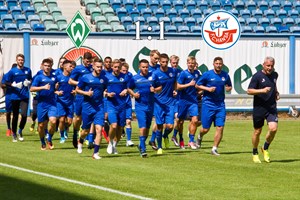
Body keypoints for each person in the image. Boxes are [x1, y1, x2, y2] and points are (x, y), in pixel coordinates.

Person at [196, 57, 232, 156]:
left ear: (222, 64)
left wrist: (228, 88)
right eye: (217, 63)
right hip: (208, 104)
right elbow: (197, 85)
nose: (218, 65)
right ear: (213, 64)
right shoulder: (207, 74)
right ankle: (199, 136)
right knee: (205, 128)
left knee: (220, 127)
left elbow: (229, 85)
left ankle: (214, 148)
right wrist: (207, 89)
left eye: (220, 63)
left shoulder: (225, 75)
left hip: (220, 105)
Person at [247, 56, 279, 163]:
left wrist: (276, 93)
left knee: (273, 128)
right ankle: (255, 152)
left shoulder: (275, 74)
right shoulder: (257, 76)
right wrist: (262, 91)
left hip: (271, 108)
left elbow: (274, 85)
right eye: (268, 66)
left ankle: (265, 148)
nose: (270, 68)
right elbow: (249, 91)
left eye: (272, 66)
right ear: (263, 65)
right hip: (259, 108)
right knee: (257, 131)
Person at [128, 59, 162, 157]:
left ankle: (141, 144)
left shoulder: (153, 76)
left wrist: (154, 89)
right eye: (143, 67)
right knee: (142, 127)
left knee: (147, 128)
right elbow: (129, 88)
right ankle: (143, 149)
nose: (145, 69)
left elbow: (160, 87)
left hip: (150, 105)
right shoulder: (135, 78)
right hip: (140, 106)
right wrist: (134, 94)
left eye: (146, 67)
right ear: (139, 67)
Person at [76, 58, 108, 159]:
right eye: (97, 67)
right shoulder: (85, 78)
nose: (99, 68)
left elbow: (104, 90)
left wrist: (106, 93)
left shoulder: (104, 79)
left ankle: (95, 153)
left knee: (99, 130)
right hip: (87, 107)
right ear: (93, 66)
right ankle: (80, 140)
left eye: (100, 67)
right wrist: (86, 93)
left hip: (99, 107)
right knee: (85, 130)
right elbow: (77, 90)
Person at [30, 58, 58, 150]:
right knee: (41, 126)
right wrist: (43, 87)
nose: (47, 67)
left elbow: (54, 89)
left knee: (53, 121)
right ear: (42, 66)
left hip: (52, 103)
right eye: (45, 66)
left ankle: (49, 138)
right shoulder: (38, 77)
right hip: (41, 103)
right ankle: (42, 142)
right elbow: (32, 89)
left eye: (49, 66)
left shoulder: (54, 77)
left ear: (51, 66)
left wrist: (56, 91)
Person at [152, 53, 177, 154]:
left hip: (170, 103)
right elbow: (152, 88)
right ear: (159, 62)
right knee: (159, 126)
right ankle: (159, 147)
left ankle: (165, 136)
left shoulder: (172, 71)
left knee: (170, 126)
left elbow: (175, 82)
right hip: (159, 103)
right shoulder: (156, 74)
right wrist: (155, 90)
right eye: (163, 62)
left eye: (166, 62)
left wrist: (175, 90)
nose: (165, 64)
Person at [5, 54, 32, 142]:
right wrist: (12, 84)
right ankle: (14, 133)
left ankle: (20, 130)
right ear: (16, 61)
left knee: (24, 115)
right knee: (15, 116)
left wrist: (28, 82)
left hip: (24, 96)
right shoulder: (12, 71)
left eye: (22, 60)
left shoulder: (28, 70)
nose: (21, 61)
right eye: (19, 60)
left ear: (24, 61)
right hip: (15, 96)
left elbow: (31, 80)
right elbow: (5, 81)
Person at [105, 59, 129, 154]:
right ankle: (110, 143)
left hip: (122, 105)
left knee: (120, 128)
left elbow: (130, 88)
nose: (117, 69)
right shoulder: (107, 77)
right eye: (115, 67)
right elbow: (103, 90)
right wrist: (107, 94)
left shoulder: (125, 77)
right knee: (113, 125)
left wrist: (126, 91)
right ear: (112, 67)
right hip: (111, 105)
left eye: (119, 67)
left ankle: (115, 145)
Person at [69, 52, 93, 148]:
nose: (88, 62)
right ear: (83, 60)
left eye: (89, 61)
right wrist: (81, 83)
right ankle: (75, 133)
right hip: (80, 96)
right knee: (78, 118)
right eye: (86, 61)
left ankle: (88, 139)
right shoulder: (78, 69)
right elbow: (70, 81)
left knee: (90, 117)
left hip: (90, 96)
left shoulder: (93, 68)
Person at [176, 56, 200, 149]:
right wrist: (189, 84)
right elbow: (178, 87)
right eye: (189, 63)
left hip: (193, 100)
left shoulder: (197, 73)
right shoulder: (183, 74)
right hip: (183, 100)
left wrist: (200, 90)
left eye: (192, 63)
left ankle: (191, 141)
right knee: (180, 122)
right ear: (187, 64)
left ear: (195, 64)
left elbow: (198, 85)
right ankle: (181, 138)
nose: (191, 65)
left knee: (195, 120)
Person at [56, 60, 75, 143]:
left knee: (70, 122)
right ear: (64, 67)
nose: (72, 68)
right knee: (62, 119)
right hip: (60, 102)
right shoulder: (59, 77)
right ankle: (62, 136)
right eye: (70, 66)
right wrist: (57, 91)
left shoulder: (73, 78)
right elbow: (53, 88)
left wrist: (75, 91)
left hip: (70, 102)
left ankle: (65, 129)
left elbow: (78, 87)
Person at [148, 49, 161, 150]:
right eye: (155, 58)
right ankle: (146, 141)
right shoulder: (145, 68)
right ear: (150, 57)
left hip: (158, 98)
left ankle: (152, 139)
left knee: (159, 120)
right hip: (148, 98)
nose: (157, 60)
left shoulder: (159, 69)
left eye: (158, 59)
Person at [169, 55, 182, 147]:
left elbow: (181, 85)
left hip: (177, 100)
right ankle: (164, 136)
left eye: (176, 63)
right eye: (173, 63)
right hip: (167, 100)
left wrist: (177, 91)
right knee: (166, 124)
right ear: (170, 62)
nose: (175, 64)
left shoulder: (180, 73)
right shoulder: (167, 72)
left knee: (178, 119)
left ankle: (174, 136)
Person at [1, 63, 17, 137]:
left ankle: (14, 130)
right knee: (8, 112)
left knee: (15, 113)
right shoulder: (7, 75)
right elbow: (2, 84)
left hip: (17, 96)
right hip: (9, 96)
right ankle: (8, 128)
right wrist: (10, 84)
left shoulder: (19, 75)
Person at [120, 62, 134, 147]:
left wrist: (128, 91)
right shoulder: (116, 78)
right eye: (123, 70)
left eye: (126, 70)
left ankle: (128, 140)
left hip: (127, 102)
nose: (125, 72)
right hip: (118, 103)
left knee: (128, 121)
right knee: (119, 124)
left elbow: (132, 87)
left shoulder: (129, 76)